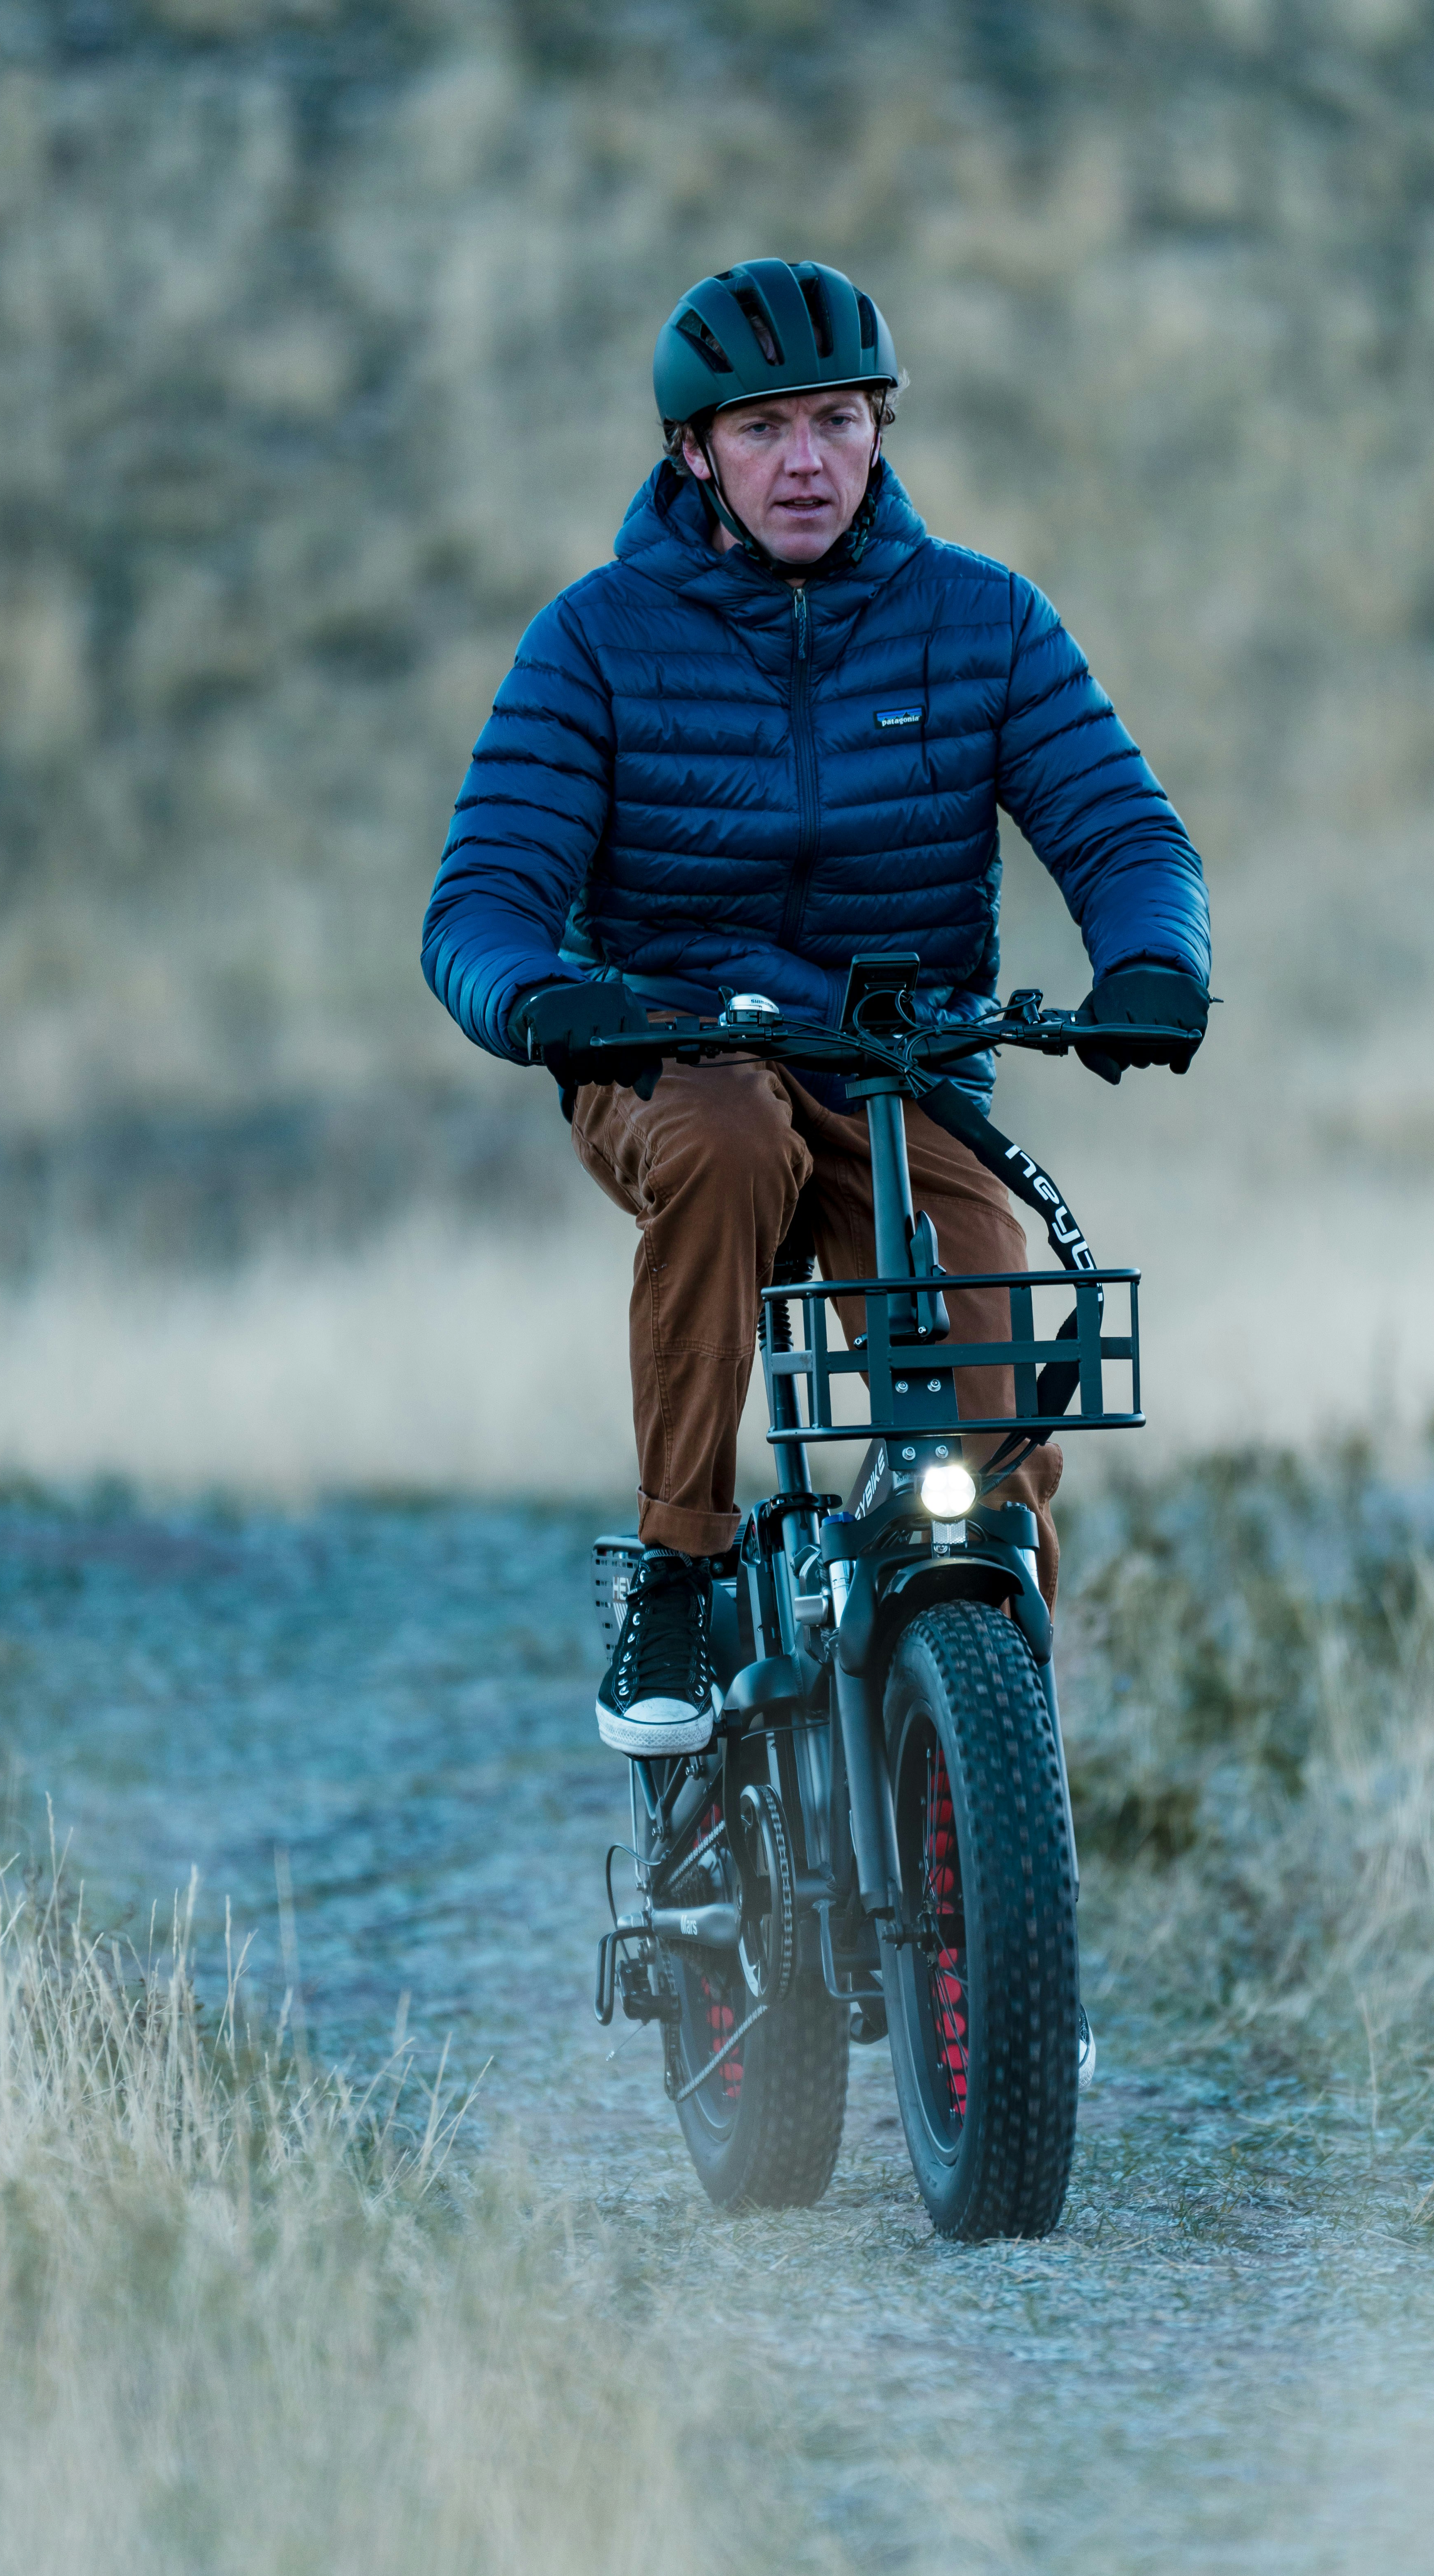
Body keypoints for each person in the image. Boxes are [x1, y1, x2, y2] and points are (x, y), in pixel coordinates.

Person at [422, 257, 1210, 1760]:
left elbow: (1123, 834)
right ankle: (680, 1562)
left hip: (897, 1072)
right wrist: (544, 1000)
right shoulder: (592, 641)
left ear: (880, 430)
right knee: (724, 1136)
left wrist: (1151, 959)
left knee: (993, 1441)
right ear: (693, 453)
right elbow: (478, 904)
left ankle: (996, 1816)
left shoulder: (981, 620)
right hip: (664, 1057)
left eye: (839, 422)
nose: (807, 462)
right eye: (766, 428)